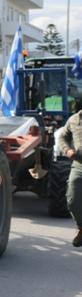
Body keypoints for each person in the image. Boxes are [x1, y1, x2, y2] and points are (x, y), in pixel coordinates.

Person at [54, 101, 82, 248]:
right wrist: (67, 150)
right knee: (72, 199)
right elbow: (62, 137)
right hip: (79, 165)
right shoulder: (74, 120)